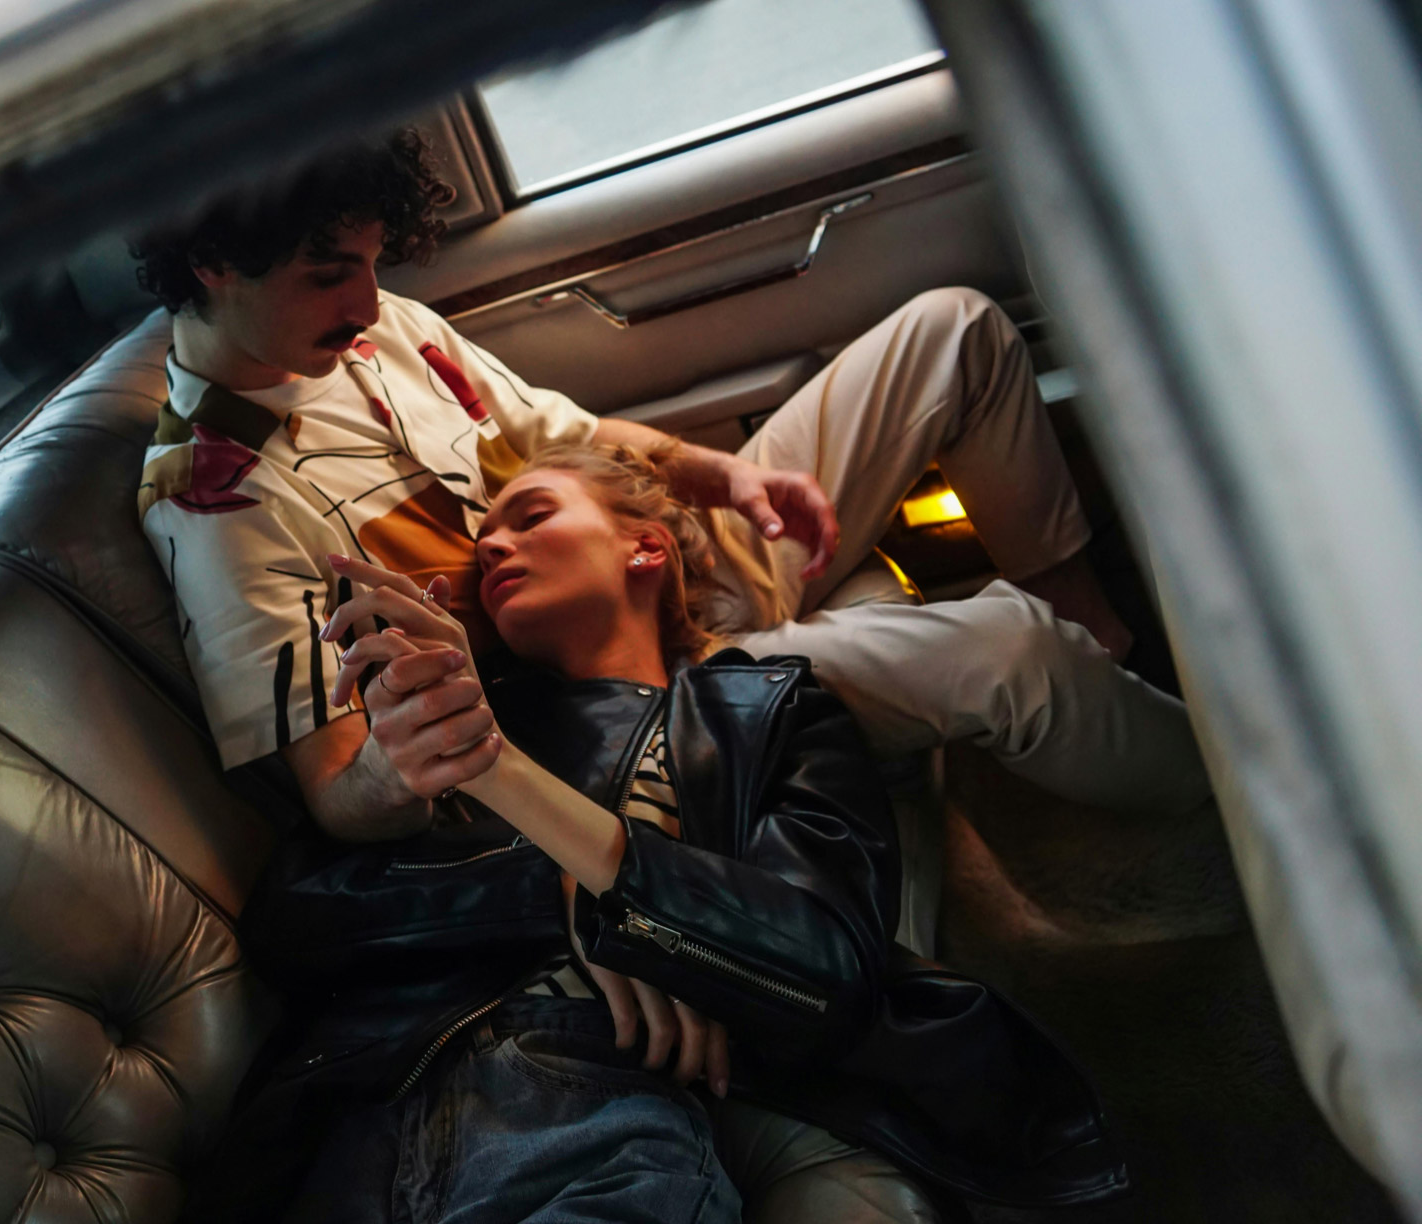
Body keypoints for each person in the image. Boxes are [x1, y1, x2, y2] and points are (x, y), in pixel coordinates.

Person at [133, 129, 1209, 852]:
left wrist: (727, 476)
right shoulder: (216, 504)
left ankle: (1106, 642)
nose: (371, 304)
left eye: (374, 265)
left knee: (956, 330)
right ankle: (1245, 796)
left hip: (660, 553)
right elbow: (335, 793)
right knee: (1007, 649)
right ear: (216, 262)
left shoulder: (388, 330)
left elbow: (575, 438)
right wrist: (401, 761)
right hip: (640, 689)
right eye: (331, 274)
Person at [211, 444, 1126, 1223]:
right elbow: (295, 919)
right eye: (485, 534)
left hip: (605, 1103)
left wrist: (527, 799)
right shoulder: (448, 715)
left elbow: (822, 966)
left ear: (644, 546)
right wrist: (564, 888)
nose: (491, 543)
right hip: (369, 1103)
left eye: (532, 515)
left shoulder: (770, 714)